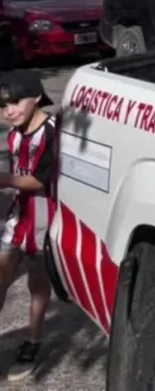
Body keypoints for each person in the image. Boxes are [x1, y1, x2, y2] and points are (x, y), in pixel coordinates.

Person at [0, 71, 57, 381]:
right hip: (17, 215)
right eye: (2, 105)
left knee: (37, 284)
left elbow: (38, 180)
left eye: (15, 103)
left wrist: (5, 180)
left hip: (44, 220)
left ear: (36, 98)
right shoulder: (13, 134)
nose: (9, 111)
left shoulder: (53, 132)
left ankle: (33, 342)